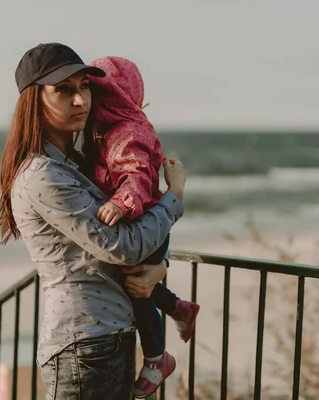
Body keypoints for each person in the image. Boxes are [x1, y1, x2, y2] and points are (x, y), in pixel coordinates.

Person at [0, 42, 186, 400]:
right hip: (83, 345)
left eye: (84, 87)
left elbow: (115, 245)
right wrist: (174, 198)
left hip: (110, 337)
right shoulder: (44, 176)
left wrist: (159, 269)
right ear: (34, 99)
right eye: (64, 90)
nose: (80, 100)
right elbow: (121, 247)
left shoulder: (78, 164)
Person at [83, 56, 200, 398]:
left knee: (138, 292)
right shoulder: (106, 130)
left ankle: (156, 357)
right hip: (142, 221)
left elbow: (134, 174)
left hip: (143, 219)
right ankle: (180, 308)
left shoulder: (128, 131)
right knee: (136, 279)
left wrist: (121, 203)